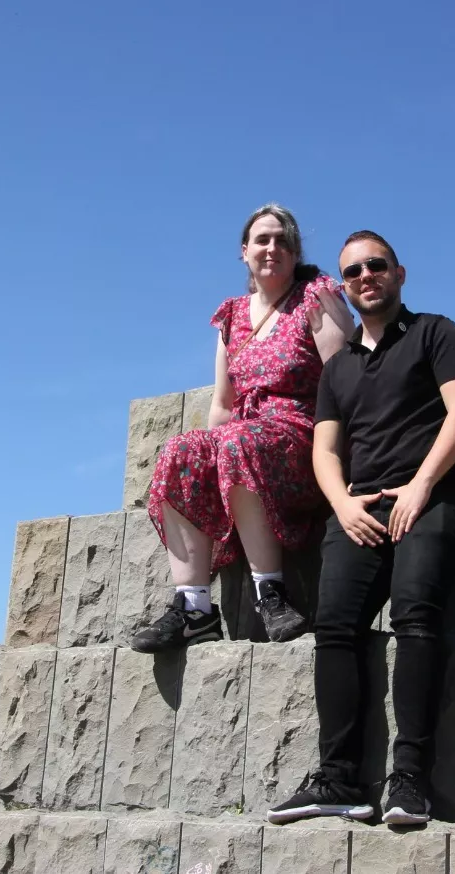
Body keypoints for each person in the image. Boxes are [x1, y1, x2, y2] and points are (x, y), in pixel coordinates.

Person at [268, 230, 455, 827]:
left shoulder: (434, 332)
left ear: (399, 273)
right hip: (363, 507)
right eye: (353, 271)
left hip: (435, 495)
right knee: (335, 625)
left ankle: (410, 779)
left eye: (376, 265)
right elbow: (324, 451)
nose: (366, 276)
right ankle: (338, 778)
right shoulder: (338, 368)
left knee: (415, 612)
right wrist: (341, 505)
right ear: (343, 286)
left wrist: (421, 484)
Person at [131, 204, 354, 653]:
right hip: (245, 443)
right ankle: (194, 608)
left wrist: (349, 466)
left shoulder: (316, 297)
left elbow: (346, 384)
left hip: (301, 440)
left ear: (295, 252)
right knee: (182, 449)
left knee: (236, 441)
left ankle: (270, 592)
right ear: (244, 251)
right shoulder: (231, 316)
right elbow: (222, 405)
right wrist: (207, 466)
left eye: (282, 240)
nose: (272, 248)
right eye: (262, 239)